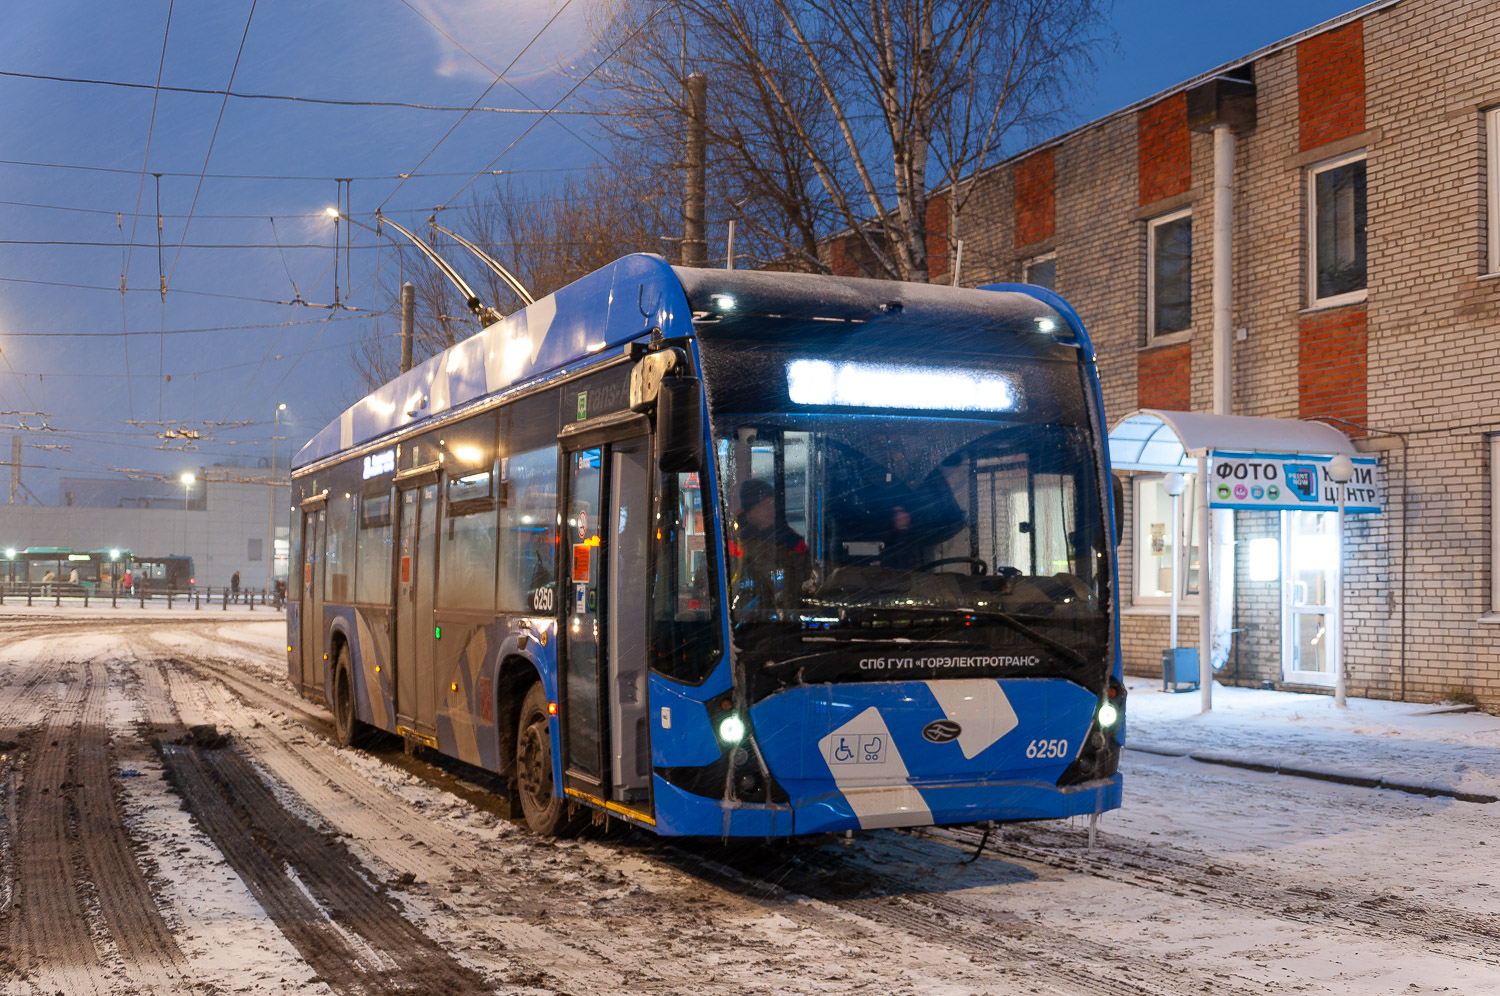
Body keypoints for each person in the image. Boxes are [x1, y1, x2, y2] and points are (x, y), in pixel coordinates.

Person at [730, 478, 809, 615]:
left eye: (773, 502)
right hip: (740, 621)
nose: (772, 508)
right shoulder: (732, 543)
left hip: (785, 619)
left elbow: (805, 583)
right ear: (751, 510)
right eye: (766, 504)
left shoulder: (793, 542)